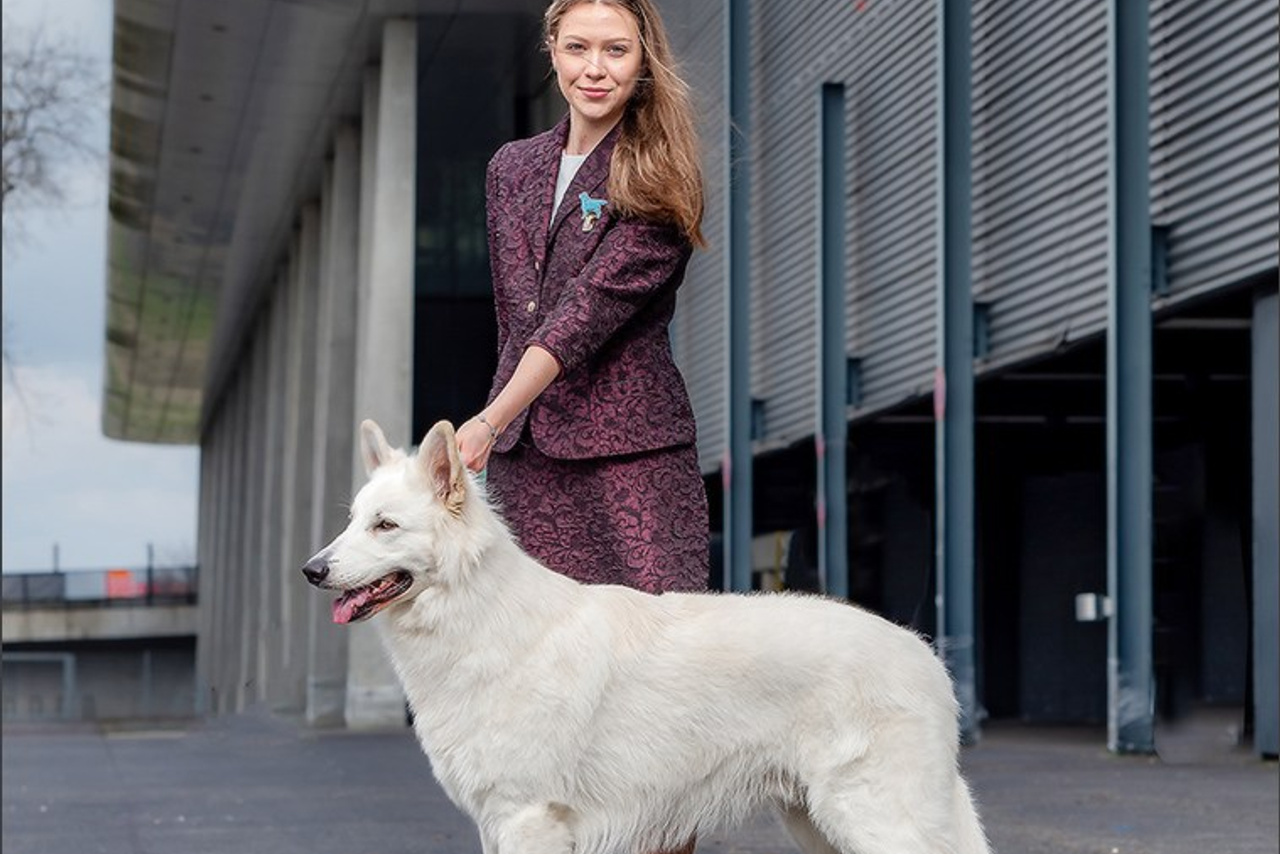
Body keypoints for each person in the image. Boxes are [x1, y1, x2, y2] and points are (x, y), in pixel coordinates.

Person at [456, 0, 709, 603]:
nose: (595, 68)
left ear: (643, 60)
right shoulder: (511, 168)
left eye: (616, 50)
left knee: (659, 643)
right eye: (577, 48)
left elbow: (582, 316)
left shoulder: (659, 172)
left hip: (630, 458)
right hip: (526, 456)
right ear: (552, 51)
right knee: (531, 643)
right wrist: (503, 426)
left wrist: (490, 419)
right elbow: (515, 315)